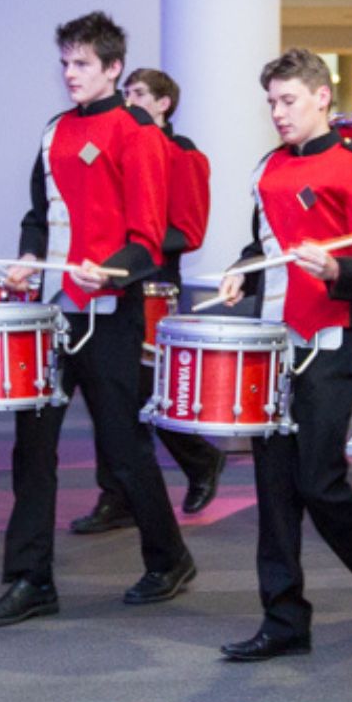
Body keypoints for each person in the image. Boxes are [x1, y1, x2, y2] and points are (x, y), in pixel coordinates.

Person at [0, 13, 194, 627]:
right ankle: (29, 578)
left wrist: (113, 272)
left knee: (124, 449)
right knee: (32, 447)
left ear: (113, 68)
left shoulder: (137, 132)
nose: (70, 74)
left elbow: (148, 241)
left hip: (108, 315)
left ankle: (169, 556)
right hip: (51, 314)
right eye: (65, 63)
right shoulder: (54, 132)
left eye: (81, 64)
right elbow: (37, 214)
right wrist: (27, 257)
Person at [210, 48, 352, 661]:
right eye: (271, 101)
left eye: (288, 100)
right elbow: (261, 244)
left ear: (323, 97)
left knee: (320, 482)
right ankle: (284, 619)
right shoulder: (268, 169)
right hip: (271, 346)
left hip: (328, 343)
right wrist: (243, 270)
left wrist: (335, 268)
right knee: (273, 489)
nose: (278, 112)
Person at [68, 66, 227, 531]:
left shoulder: (183, 154)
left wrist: (136, 241)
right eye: (128, 92)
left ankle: (198, 461)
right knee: (109, 391)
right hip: (110, 280)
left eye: (140, 94)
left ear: (164, 104)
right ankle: (118, 492)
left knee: (139, 389)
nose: (129, 100)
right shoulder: (117, 140)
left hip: (155, 280)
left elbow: (189, 231)